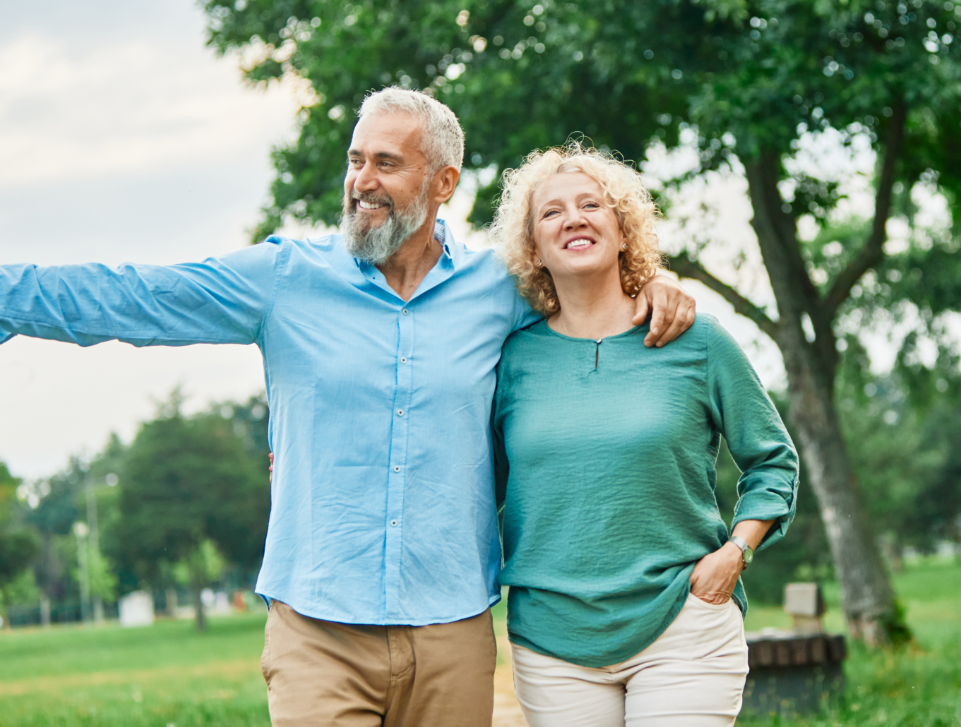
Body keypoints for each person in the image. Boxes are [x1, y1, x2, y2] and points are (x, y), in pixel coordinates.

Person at [0, 89, 696, 727]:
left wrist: (655, 284)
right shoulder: (285, 279)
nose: (362, 181)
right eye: (356, 159)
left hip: (449, 632)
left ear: (442, 182)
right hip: (318, 633)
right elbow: (132, 296)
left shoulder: (500, 291)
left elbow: (590, 294)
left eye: (386, 164)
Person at [490, 144, 800, 726]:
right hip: (551, 638)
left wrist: (736, 551)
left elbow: (773, 460)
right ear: (532, 247)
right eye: (551, 212)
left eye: (591, 204)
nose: (574, 218)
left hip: (684, 618)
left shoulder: (696, 341)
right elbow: (473, 483)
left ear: (624, 229)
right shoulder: (511, 361)